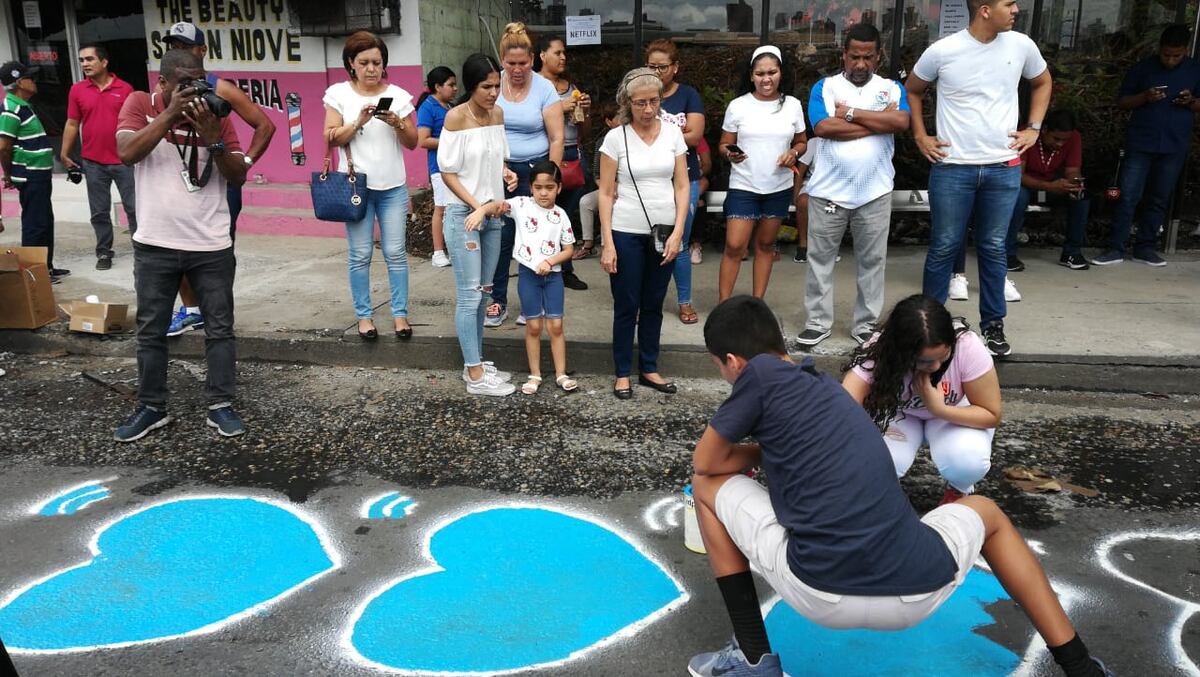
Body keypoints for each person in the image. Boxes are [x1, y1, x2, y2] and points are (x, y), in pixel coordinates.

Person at [687, 294, 1113, 677]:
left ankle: (752, 660)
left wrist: (762, 452)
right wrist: (772, 450)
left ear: (733, 362)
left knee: (704, 488)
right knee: (987, 513)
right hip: (918, 588)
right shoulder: (822, 385)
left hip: (821, 590)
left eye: (719, 367)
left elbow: (706, 463)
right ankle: (1080, 667)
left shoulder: (758, 375)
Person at [113, 49, 248, 441]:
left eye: (200, 81)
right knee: (151, 330)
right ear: (163, 83)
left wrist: (214, 140)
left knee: (220, 329)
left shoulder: (215, 114)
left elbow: (238, 176)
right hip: (155, 242)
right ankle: (151, 407)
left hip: (211, 243)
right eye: (185, 83)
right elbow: (127, 153)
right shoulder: (141, 104)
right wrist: (170, 114)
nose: (195, 90)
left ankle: (220, 405)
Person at [906, 0, 1051, 358]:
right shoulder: (944, 50)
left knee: (993, 246)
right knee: (944, 246)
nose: (1016, 9)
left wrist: (1033, 128)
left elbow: (1043, 82)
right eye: (1008, 3)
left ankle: (993, 325)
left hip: (1003, 166)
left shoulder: (1021, 45)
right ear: (985, 9)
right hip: (953, 167)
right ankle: (929, 327)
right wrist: (920, 136)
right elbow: (913, 89)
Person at [798, 24, 910, 349]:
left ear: (878, 56)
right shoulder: (825, 86)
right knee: (819, 260)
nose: (861, 64)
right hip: (827, 192)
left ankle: (867, 325)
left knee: (873, 263)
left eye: (868, 57)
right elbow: (823, 127)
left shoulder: (891, 88)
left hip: (874, 192)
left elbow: (902, 121)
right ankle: (817, 323)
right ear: (843, 55)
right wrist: (878, 122)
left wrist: (848, 114)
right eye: (854, 57)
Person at [163, 22, 276, 336]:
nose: (180, 52)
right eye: (174, 47)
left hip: (219, 182)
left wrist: (246, 162)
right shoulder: (166, 89)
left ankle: (220, 310)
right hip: (182, 183)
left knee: (220, 251)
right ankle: (192, 310)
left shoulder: (220, 87)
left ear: (202, 51)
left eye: (185, 46)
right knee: (177, 246)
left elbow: (265, 126)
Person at [842, 294, 999, 504]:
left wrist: (940, 409)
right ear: (900, 352)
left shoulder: (967, 345)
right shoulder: (879, 350)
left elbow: (991, 413)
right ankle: (883, 491)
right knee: (875, 463)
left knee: (967, 461)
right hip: (899, 414)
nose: (935, 367)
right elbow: (843, 409)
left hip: (952, 412)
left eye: (943, 356)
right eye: (924, 361)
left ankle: (958, 490)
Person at [598, 68, 689, 400]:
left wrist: (679, 232)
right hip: (625, 230)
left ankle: (649, 367)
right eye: (640, 103)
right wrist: (607, 243)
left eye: (654, 101)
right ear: (627, 103)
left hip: (664, 231)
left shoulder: (673, 134)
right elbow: (606, 192)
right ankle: (622, 372)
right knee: (627, 304)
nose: (648, 109)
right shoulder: (615, 138)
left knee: (654, 302)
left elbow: (682, 185)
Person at [324, 31, 419, 341]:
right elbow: (330, 137)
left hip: (392, 187)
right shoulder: (338, 94)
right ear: (351, 63)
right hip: (356, 188)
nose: (371, 69)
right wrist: (358, 123)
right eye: (364, 62)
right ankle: (364, 316)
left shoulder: (399, 96)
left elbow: (413, 142)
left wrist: (397, 122)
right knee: (360, 254)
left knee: (395, 252)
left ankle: (400, 314)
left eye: (377, 62)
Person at [438, 53, 520, 397]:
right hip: (465, 216)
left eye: (497, 85)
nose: (493, 92)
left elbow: (495, 157)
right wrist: (478, 206)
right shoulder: (456, 117)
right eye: (486, 86)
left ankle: (477, 362)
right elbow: (448, 172)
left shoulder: (497, 114)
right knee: (469, 296)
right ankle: (474, 374)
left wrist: (506, 173)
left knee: (485, 294)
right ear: (472, 86)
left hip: (493, 215)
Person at [1093, 24, 1200, 268]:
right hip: (1141, 141)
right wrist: (1145, 97)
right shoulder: (1143, 68)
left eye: (1176, 56)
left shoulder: (1195, 70)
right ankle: (1115, 247)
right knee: (1128, 196)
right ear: (1159, 49)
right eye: (1166, 54)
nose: (1170, 60)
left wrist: (1190, 101)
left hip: (1174, 143)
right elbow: (1122, 101)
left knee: (1159, 198)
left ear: (1185, 50)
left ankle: (1145, 247)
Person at [485, 23, 566, 328]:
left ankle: (533, 303)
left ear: (533, 59)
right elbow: (485, 133)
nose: (517, 70)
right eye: (511, 64)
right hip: (501, 169)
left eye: (523, 63)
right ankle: (497, 300)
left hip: (536, 171)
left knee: (535, 237)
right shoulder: (494, 86)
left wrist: (549, 179)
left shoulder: (544, 88)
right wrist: (500, 167)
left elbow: (557, 137)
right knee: (500, 237)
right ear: (502, 61)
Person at [718, 46, 807, 304]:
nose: (766, 79)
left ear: (781, 73)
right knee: (735, 245)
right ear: (751, 76)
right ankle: (723, 305)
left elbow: (802, 141)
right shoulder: (738, 105)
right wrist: (729, 153)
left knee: (766, 245)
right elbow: (723, 143)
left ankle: (758, 303)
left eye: (772, 72)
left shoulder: (792, 105)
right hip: (744, 184)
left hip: (778, 186)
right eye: (760, 74)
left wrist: (793, 153)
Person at [491, 160, 578, 394]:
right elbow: (499, 205)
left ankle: (561, 374)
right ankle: (535, 375)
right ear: (530, 187)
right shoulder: (521, 204)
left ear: (559, 188)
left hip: (553, 278)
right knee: (533, 326)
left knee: (556, 325)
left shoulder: (561, 215)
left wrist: (550, 262)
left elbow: (569, 249)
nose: (543, 193)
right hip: (528, 276)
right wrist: (483, 210)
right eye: (538, 187)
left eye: (549, 187)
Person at [61, 44, 137, 271]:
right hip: (93, 162)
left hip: (124, 160)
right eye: (81, 60)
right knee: (99, 212)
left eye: (89, 59)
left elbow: (135, 123)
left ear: (104, 62)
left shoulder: (125, 89)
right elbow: (72, 123)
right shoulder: (77, 90)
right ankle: (104, 251)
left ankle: (142, 249)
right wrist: (64, 153)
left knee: (134, 208)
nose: (84, 64)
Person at [646, 38, 705, 325]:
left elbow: (695, 135)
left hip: (684, 178)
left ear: (675, 67)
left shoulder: (688, 95)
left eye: (663, 67)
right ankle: (645, 301)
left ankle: (684, 301)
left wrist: (657, 136)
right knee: (645, 242)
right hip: (649, 179)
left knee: (678, 241)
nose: (657, 72)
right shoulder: (642, 94)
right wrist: (675, 136)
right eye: (651, 66)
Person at [0, 61, 68, 282]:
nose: (35, 81)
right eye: (30, 78)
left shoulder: (23, 105)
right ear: (20, 82)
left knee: (45, 221)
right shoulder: (11, 109)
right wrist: (8, 174)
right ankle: (33, 274)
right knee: (35, 224)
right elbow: (3, 147)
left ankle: (46, 267)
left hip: (39, 174)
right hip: (30, 175)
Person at [536, 35, 589, 294]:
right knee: (545, 215)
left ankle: (564, 269)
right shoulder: (534, 85)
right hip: (545, 155)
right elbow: (529, 120)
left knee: (565, 215)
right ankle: (545, 266)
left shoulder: (572, 87)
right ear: (542, 56)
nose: (563, 57)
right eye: (557, 52)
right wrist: (560, 107)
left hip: (572, 156)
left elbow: (584, 132)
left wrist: (584, 112)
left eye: (564, 52)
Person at [417, 66, 457, 268]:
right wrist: (452, 142)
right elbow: (423, 140)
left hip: (455, 165)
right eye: (451, 85)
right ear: (438, 86)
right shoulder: (428, 107)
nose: (455, 88)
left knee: (455, 208)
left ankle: (454, 249)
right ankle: (438, 252)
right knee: (441, 208)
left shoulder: (449, 106)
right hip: (439, 167)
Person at [574, 100, 620, 260]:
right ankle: (588, 244)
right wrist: (608, 189)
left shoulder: (631, 139)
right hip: (608, 187)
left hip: (626, 188)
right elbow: (596, 174)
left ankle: (607, 246)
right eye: (618, 118)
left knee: (606, 203)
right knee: (586, 202)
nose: (623, 121)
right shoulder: (602, 142)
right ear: (609, 122)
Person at [789, 140, 815, 263]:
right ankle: (803, 245)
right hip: (813, 183)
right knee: (803, 201)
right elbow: (800, 173)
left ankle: (828, 248)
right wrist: (796, 195)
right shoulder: (814, 143)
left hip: (839, 186)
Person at [690, 136, 712, 265]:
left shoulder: (698, 140)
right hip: (671, 182)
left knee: (699, 200)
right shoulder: (666, 134)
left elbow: (707, 164)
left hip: (694, 180)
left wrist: (697, 173)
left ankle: (695, 245)